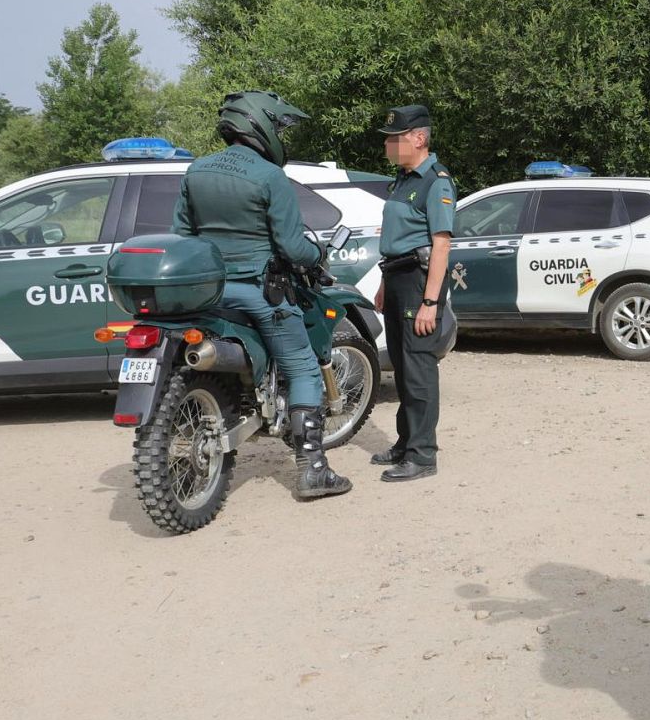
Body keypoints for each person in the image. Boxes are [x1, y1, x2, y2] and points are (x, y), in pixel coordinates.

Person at [173, 91, 352, 499]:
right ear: (262, 124)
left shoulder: (195, 171)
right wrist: (318, 253)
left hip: (207, 293)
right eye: (281, 126)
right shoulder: (270, 176)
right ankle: (313, 470)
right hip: (259, 291)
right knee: (304, 369)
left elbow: (182, 236)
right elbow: (291, 247)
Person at [371, 104, 456, 482]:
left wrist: (430, 303)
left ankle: (423, 455)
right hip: (397, 279)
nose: (389, 145)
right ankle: (407, 441)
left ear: (419, 138)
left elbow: (440, 246)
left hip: (421, 284)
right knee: (403, 369)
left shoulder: (435, 181)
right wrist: (384, 285)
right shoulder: (402, 180)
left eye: (395, 138)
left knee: (419, 368)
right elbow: (396, 242)